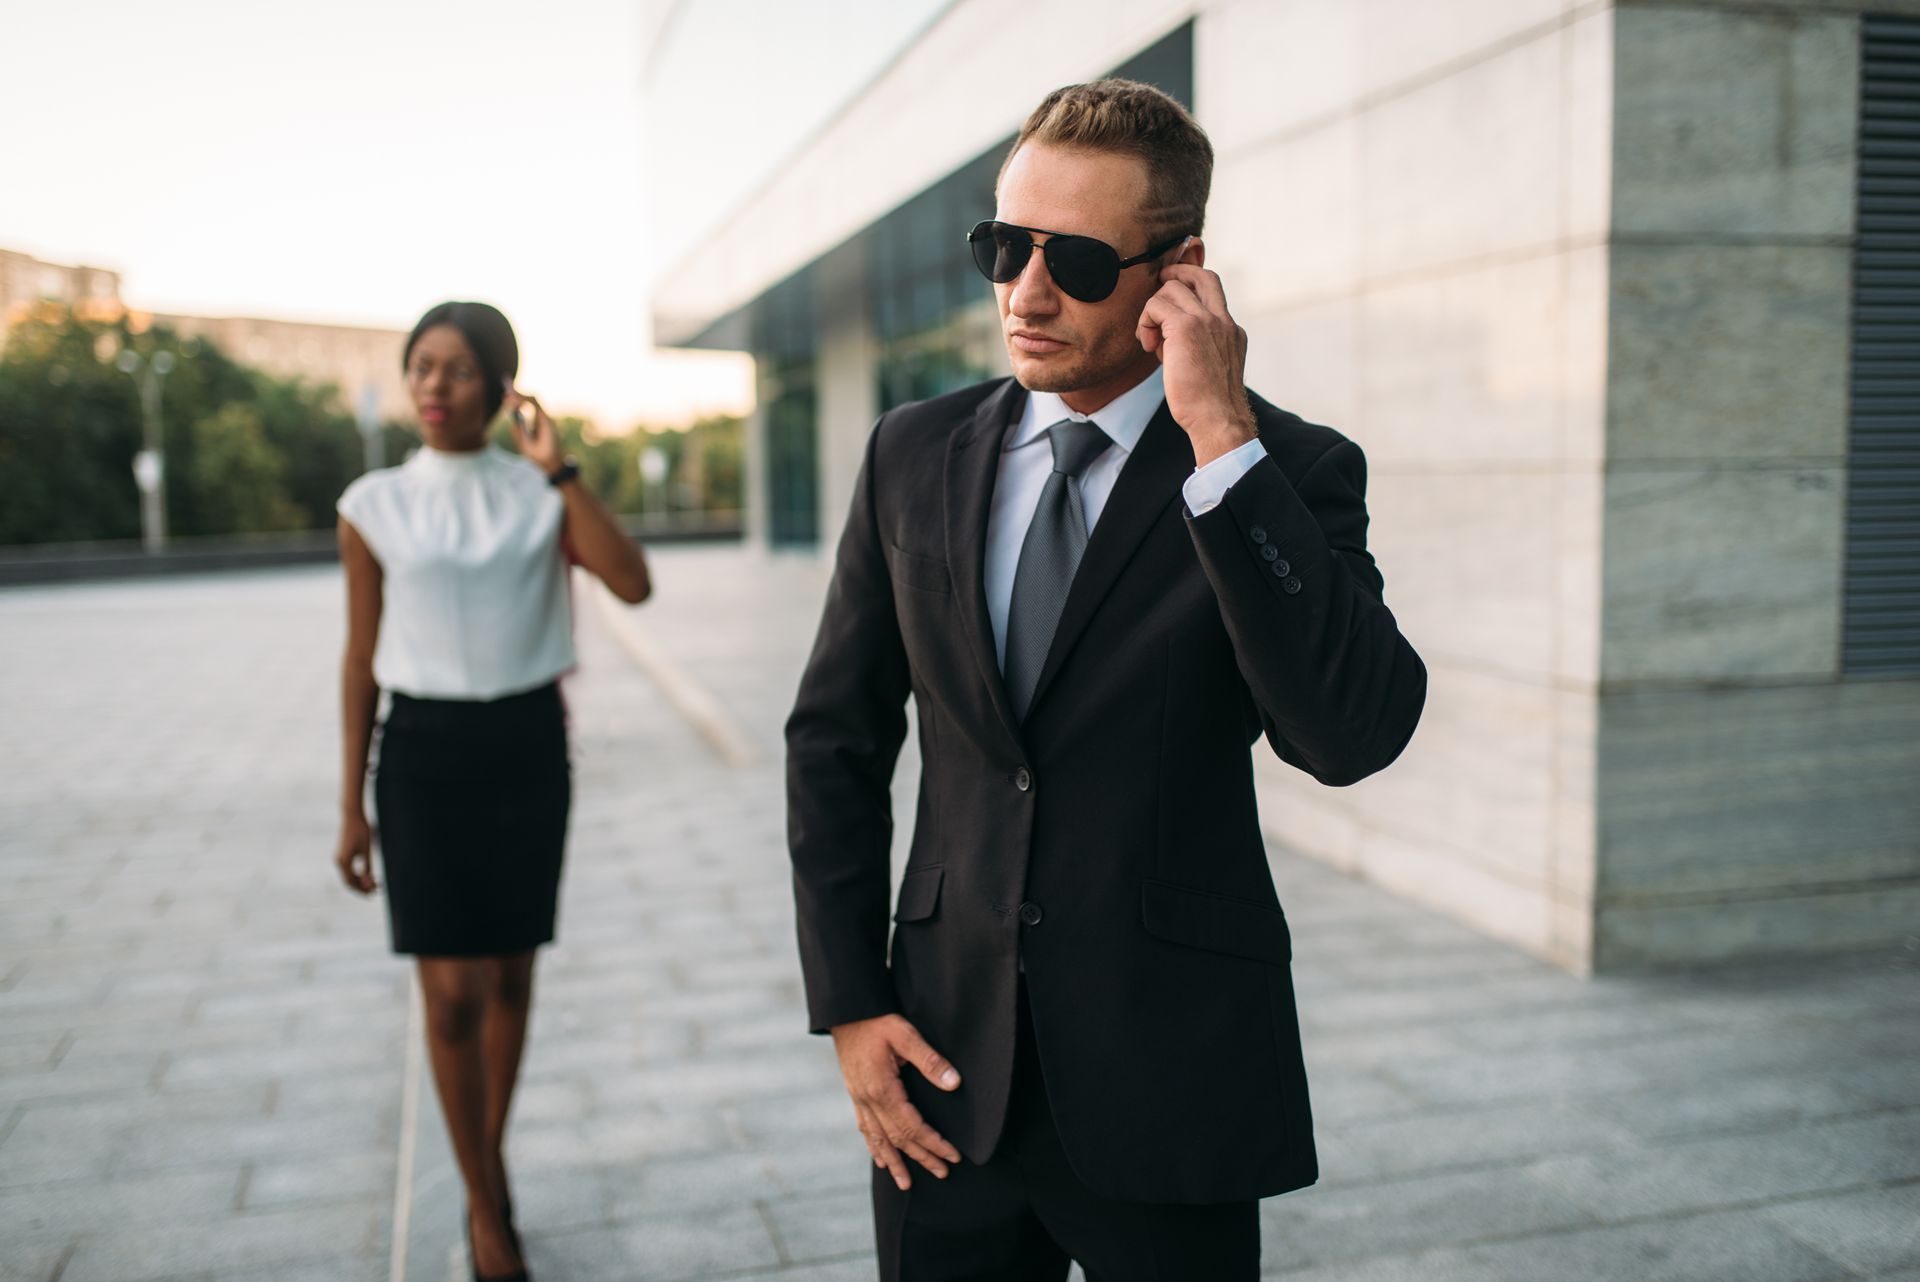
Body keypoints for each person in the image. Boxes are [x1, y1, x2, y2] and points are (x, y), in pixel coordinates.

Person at [785, 80, 1428, 1280]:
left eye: (1075, 261)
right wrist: (852, 1004)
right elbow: (834, 738)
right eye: (1004, 247)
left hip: (1170, 1078)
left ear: (1180, 273)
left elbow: (1351, 731)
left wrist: (1221, 440)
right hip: (942, 1075)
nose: (1025, 294)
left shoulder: (1282, 470)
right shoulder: (910, 453)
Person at [332, 301, 650, 1282]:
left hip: (524, 749)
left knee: (510, 977)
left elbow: (631, 582)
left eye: (458, 368)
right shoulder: (373, 502)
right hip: (421, 756)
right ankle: (483, 1202)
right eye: (421, 366)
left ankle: (486, 1162)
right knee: (450, 994)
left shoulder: (539, 492)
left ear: (501, 387)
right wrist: (350, 804)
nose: (434, 385)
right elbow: (359, 656)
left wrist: (560, 468)